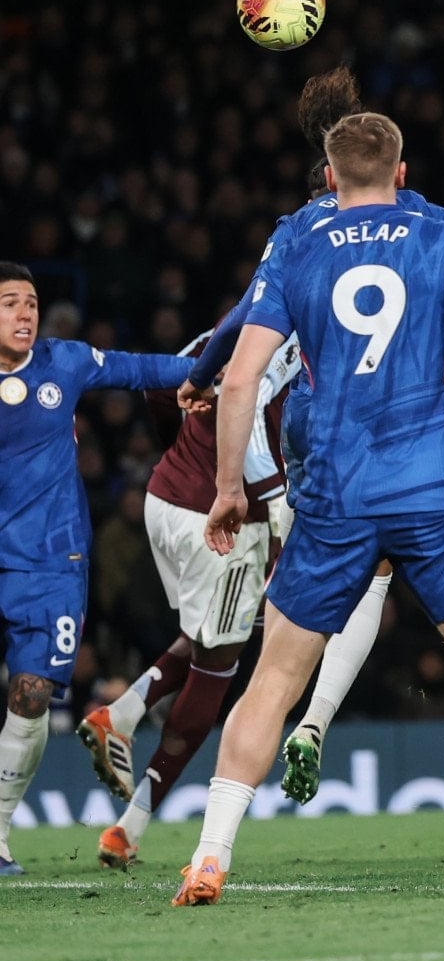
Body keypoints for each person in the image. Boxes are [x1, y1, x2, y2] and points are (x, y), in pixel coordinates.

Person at [172, 112, 444, 904]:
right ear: (402, 172)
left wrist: (227, 487)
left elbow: (242, 376)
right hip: (432, 491)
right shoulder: (441, 237)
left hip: (333, 494)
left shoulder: (294, 241)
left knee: (273, 681)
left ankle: (209, 857)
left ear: (328, 177)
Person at [75, 328, 299, 869]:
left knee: (206, 635)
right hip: (222, 523)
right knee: (217, 667)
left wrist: (185, 453)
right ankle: (131, 824)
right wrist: (274, 524)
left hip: (164, 499)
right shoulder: (302, 342)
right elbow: (259, 430)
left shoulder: (224, 330)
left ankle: (122, 714)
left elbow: (163, 386)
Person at [0, 262, 193, 877]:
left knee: (32, 693)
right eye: (10, 303)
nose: (25, 313)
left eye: (31, 302)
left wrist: (216, 369)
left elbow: (142, 369)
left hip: (50, 561)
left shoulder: (64, 362)